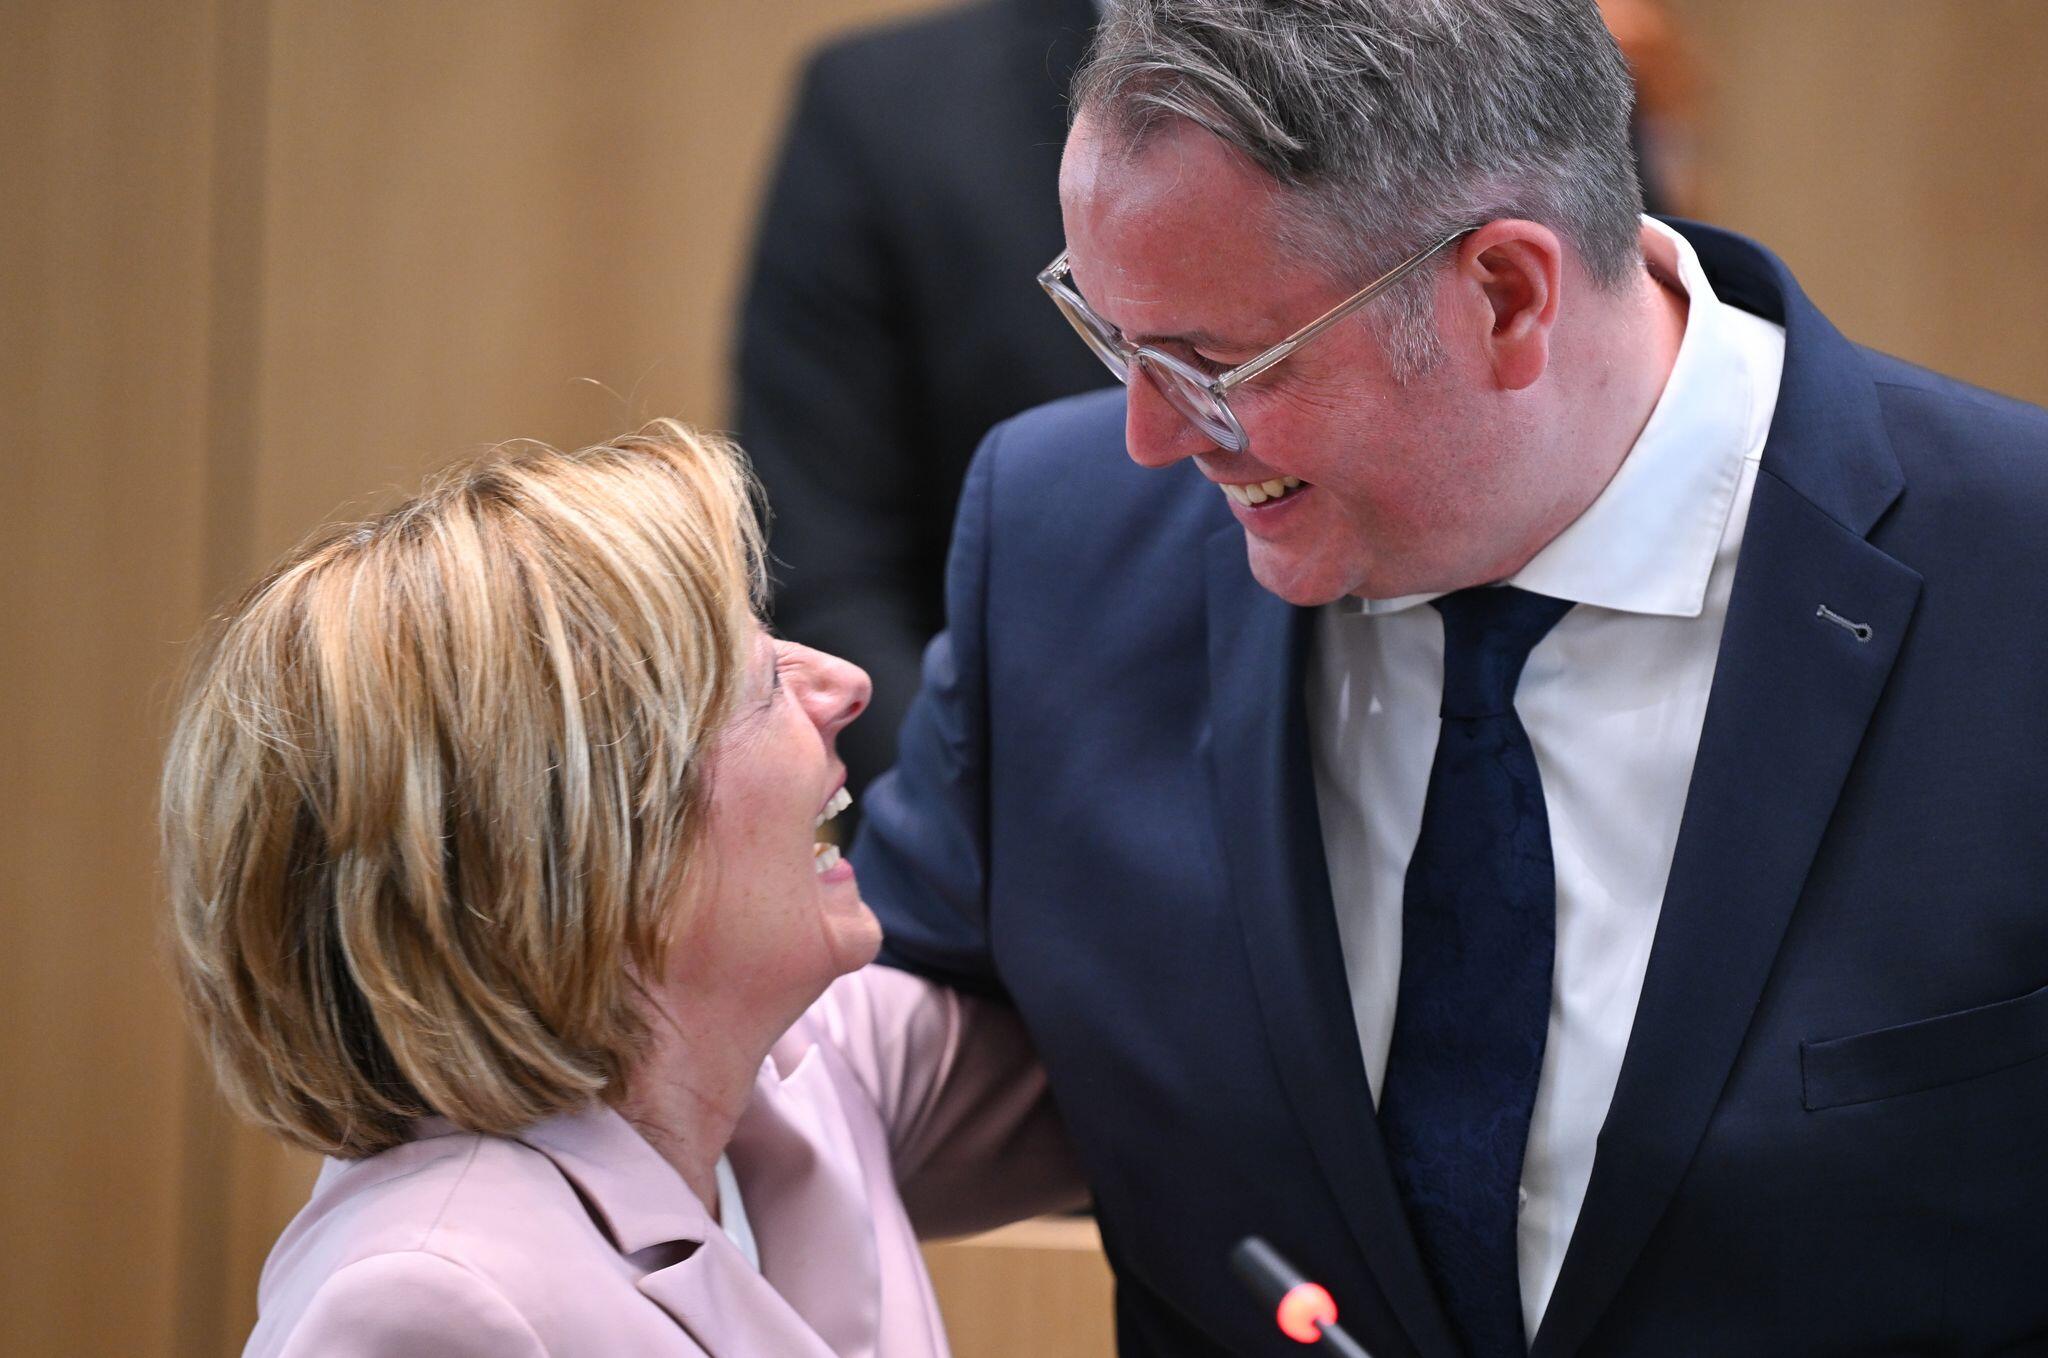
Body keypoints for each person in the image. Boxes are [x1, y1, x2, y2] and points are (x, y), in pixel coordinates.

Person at [852, 3, 2048, 1356]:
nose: (1148, 436)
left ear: (1507, 293)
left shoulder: (2017, 581)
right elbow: (880, 1027)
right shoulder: (1061, 545)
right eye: (1111, 335)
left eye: (1213, 363)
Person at [162, 421, 1082, 1357]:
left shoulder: (802, 1063)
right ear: (591, 834)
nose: (845, 685)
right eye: (764, 680)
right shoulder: (428, 1302)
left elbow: (1140, 1065)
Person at [735, 0, 1108, 806]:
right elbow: (823, 568)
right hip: (994, 800)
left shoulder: (1399, 65)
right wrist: (973, 823)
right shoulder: (886, 105)